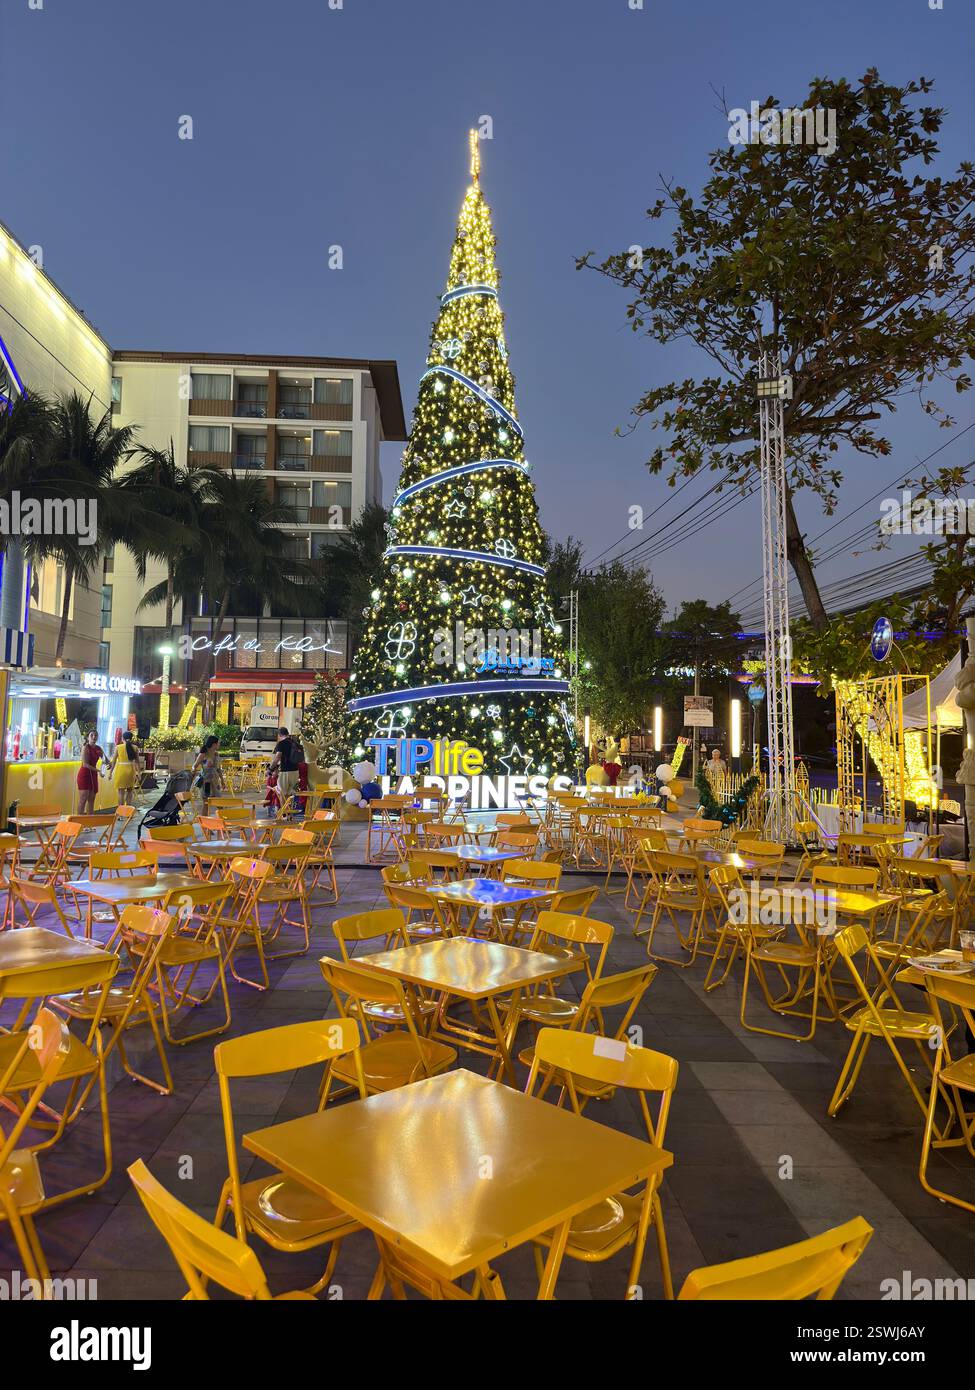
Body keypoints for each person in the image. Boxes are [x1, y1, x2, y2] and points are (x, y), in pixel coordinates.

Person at [107, 731, 142, 807]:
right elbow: (137, 762)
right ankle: (128, 810)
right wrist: (139, 773)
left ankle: (121, 811)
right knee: (130, 791)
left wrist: (110, 773)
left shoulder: (118, 747)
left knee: (121, 792)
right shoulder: (135, 748)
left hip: (121, 771)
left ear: (122, 738)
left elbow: (113, 761)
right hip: (131, 771)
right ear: (131, 739)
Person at [270, 727, 301, 811]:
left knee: (282, 793)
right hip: (295, 772)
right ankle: (289, 814)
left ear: (279, 735)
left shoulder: (281, 743)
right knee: (290, 794)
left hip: (285, 771)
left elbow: (277, 757)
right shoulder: (295, 743)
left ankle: (284, 814)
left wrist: (271, 769)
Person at [76, 729, 106, 814]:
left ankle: (89, 821)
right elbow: (85, 764)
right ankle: (80, 821)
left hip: (93, 774)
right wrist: (98, 770)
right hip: (84, 774)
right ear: (88, 737)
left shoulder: (98, 748)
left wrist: (109, 764)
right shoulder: (85, 747)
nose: (94, 737)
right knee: (83, 798)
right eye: (92, 735)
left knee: (92, 798)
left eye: (95, 735)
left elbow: (105, 759)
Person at [192, 734, 223, 814]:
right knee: (206, 803)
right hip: (206, 782)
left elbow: (218, 768)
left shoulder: (216, 754)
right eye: (218, 743)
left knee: (219, 803)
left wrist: (222, 780)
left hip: (215, 782)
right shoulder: (203, 754)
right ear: (214, 744)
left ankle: (222, 820)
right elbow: (194, 766)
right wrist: (193, 775)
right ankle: (204, 823)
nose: (219, 745)